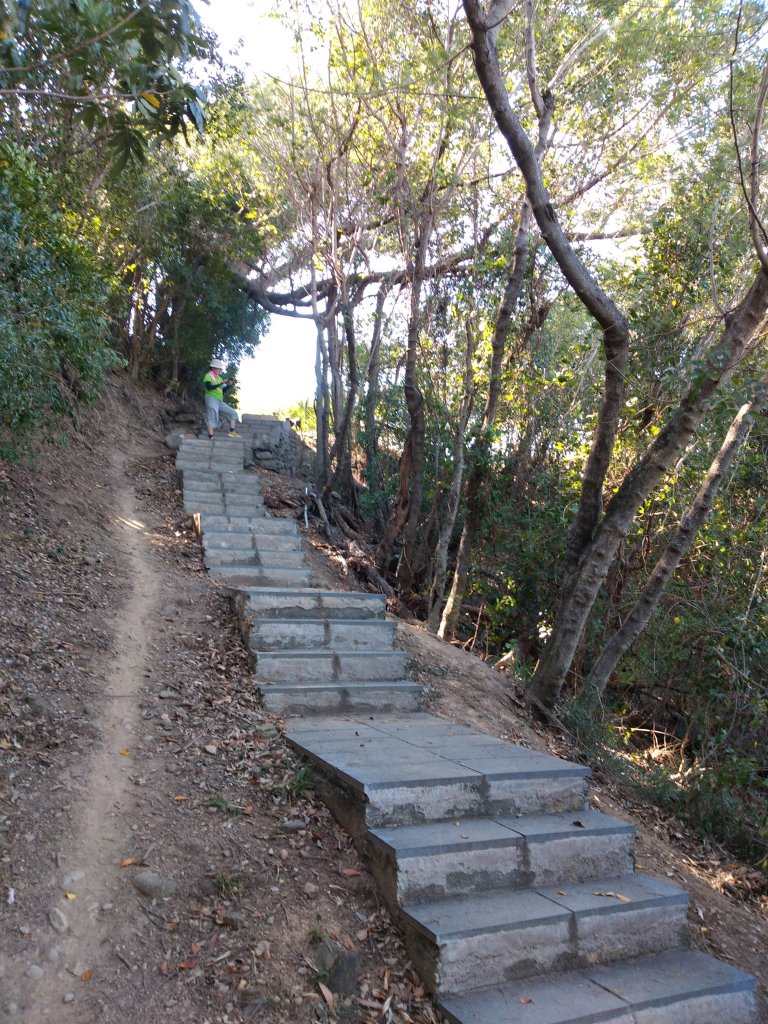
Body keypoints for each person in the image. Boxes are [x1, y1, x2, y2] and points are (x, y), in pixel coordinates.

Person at [203, 358, 240, 438]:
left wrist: (228, 385)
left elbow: (222, 391)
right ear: (213, 368)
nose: (220, 370)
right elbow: (209, 387)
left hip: (219, 400)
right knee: (212, 415)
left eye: (220, 369)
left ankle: (232, 432)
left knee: (232, 412)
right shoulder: (208, 375)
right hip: (211, 398)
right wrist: (221, 383)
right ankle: (211, 436)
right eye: (218, 369)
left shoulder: (219, 378)